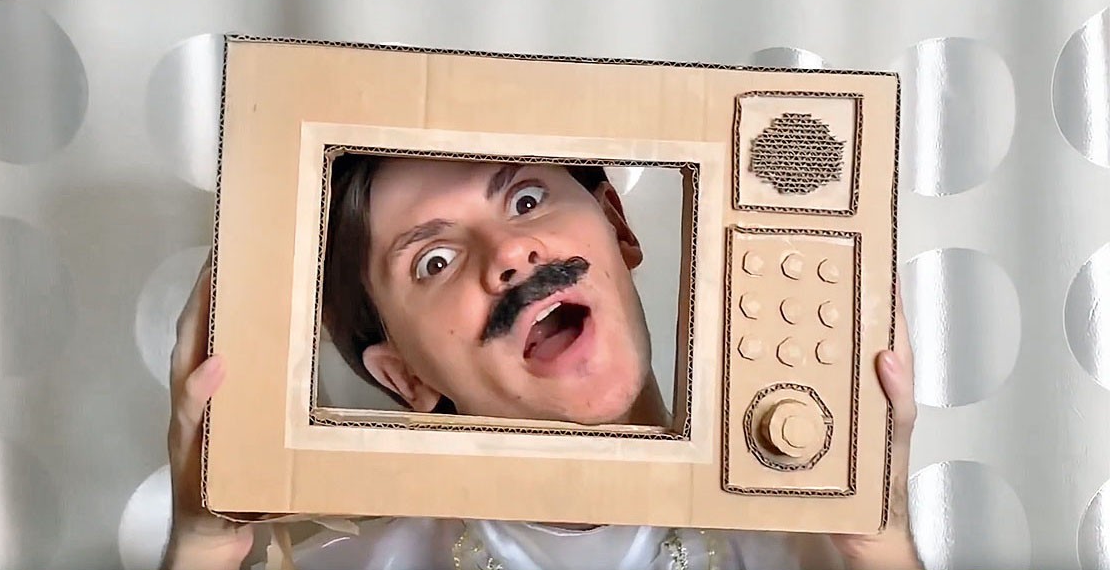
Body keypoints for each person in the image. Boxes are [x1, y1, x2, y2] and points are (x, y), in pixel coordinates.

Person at [161, 158, 924, 570]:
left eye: (526, 200)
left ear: (617, 226)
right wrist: (201, 549)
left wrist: (883, 542)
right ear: (407, 377)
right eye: (434, 260)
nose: (510, 253)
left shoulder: (812, 554)